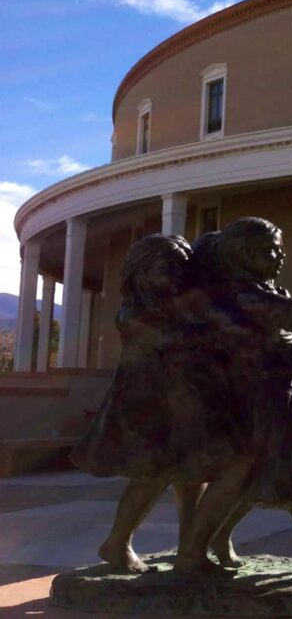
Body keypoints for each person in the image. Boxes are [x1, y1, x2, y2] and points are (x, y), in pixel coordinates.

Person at [174, 218, 292, 577]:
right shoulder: (241, 293)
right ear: (244, 257)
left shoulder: (264, 288)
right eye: (270, 250)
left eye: (279, 248)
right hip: (266, 397)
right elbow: (290, 314)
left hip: (291, 391)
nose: (280, 256)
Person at [71, 235, 242, 573]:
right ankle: (118, 542)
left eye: (181, 271)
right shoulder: (134, 314)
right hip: (148, 412)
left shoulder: (174, 307)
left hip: (182, 406)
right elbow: (182, 343)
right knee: (152, 476)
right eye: (166, 270)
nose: (175, 279)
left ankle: (192, 547)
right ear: (140, 272)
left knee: (193, 475)